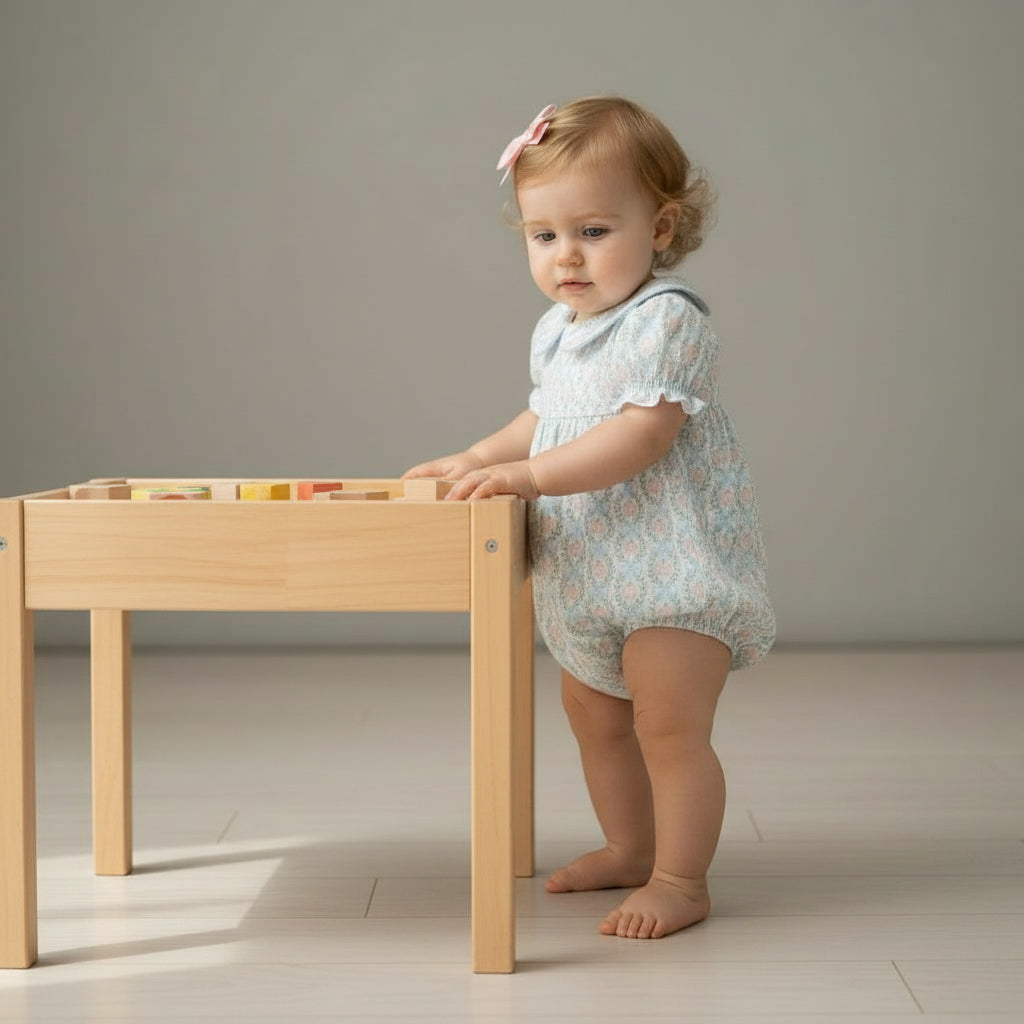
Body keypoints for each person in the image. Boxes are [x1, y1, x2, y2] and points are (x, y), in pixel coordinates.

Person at [404, 97, 775, 940]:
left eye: (594, 232)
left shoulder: (666, 321)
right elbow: (546, 416)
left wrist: (526, 477)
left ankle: (682, 879)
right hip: (589, 564)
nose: (565, 256)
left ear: (663, 227)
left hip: (670, 565)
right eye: (544, 236)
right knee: (594, 715)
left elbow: (641, 435)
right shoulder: (560, 329)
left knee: (667, 724)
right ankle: (629, 845)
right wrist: (477, 455)